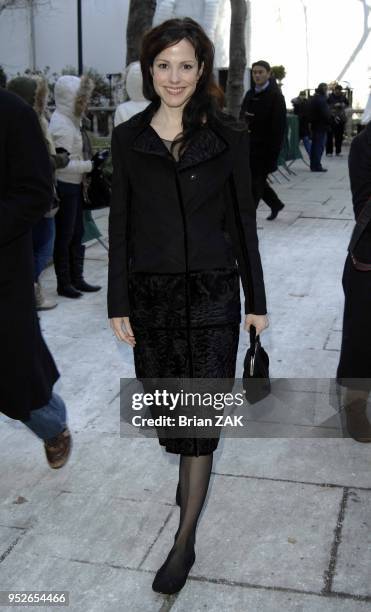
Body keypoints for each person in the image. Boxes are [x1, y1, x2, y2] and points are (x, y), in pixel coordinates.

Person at [108, 18, 268, 595]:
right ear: (149, 71)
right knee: (170, 418)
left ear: (202, 71)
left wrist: (258, 299)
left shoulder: (227, 137)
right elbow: (120, 226)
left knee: (200, 424)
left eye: (185, 65)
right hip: (151, 299)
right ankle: (188, 468)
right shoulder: (127, 139)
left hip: (213, 297)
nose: (174, 77)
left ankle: (184, 541)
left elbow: (244, 220)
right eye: (163, 65)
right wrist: (117, 301)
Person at [0, 88, 72, 468]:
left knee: (15, 376)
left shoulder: (13, 113)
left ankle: (52, 426)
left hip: (3, 274)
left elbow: (34, 192)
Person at [7, 75, 71, 310]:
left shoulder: (24, 119)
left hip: (31, 198)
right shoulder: (26, 121)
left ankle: (28, 289)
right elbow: (40, 160)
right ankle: (29, 289)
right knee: (44, 245)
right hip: (35, 200)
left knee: (39, 245)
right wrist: (61, 159)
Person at [50, 75, 101, 298]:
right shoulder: (61, 123)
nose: (85, 102)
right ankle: (65, 283)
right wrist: (91, 165)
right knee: (66, 236)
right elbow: (62, 164)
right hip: (65, 186)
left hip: (75, 186)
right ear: (71, 98)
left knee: (77, 233)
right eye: (82, 98)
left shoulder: (71, 119)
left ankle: (77, 279)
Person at [337, 121, 371, 442]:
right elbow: (363, 204)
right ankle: (355, 405)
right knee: (362, 339)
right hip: (368, 258)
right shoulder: (365, 143)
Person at [239, 60, 286, 220]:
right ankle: (275, 204)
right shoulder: (250, 94)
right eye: (254, 72)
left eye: (260, 72)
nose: (257, 75)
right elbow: (242, 117)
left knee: (255, 185)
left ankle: (247, 218)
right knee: (255, 181)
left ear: (269, 73)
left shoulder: (276, 96)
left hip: (265, 151)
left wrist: (273, 155)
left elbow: (278, 129)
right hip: (248, 148)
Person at [308, 82, 331, 172]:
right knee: (319, 146)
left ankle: (313, 165)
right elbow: (326, 114)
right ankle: (317, 166)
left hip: (315, 125)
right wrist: (330, 119)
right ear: (324, 90)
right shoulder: (321, 100)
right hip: (321, 126)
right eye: (326, 89)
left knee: (315, 146)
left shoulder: (314, 98)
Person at [326, 84, 349, 156]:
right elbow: (326, 106)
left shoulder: (343, 97)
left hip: (341, 118)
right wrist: (334, 105)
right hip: (331, 118)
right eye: (337, 90)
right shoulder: (329, 97)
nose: (338, 92)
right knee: (330, 136)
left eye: (339, 91)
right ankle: (329, 152)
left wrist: (343, 105)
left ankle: (338, 151)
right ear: (334, 90)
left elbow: (347, 104)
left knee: (339, 136)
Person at [291, 90, 311, 155]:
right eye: (302, 95)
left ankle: (294, 153)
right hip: (300, 125)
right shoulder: (299, 102)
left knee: (304, 141)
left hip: (302, 125)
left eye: (303, 95)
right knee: (303, 141)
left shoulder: (304, 102)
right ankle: (294, 153)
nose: (302, 97)